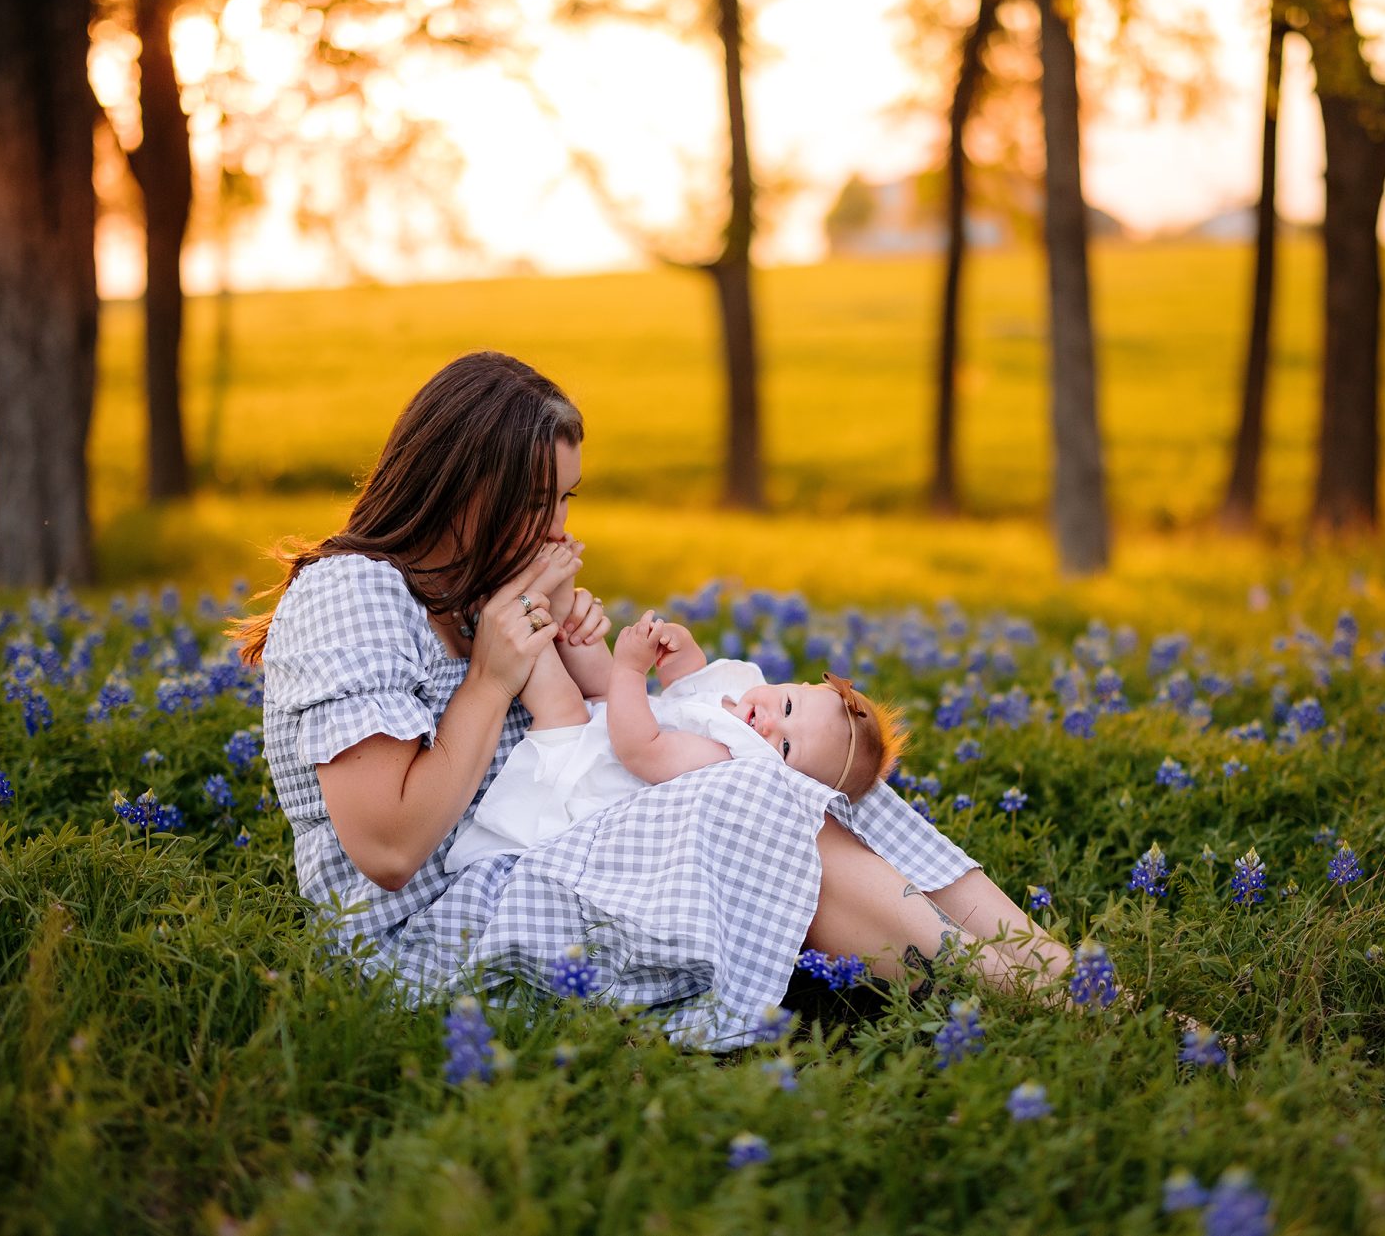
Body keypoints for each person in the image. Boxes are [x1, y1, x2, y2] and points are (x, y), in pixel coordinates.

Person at [237, 350, 1072, 1050]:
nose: (560, 530)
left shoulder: (477, 585)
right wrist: (496, 672)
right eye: (538, 503)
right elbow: (388, 848)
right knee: (756, 791)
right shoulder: (351, 595)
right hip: (433, 941)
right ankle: (1030, 1016)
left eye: (567, 500)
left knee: (810, 767)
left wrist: (566, 642)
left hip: (543, 859)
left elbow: (580, 736)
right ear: (462, 489)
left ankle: (1071, 987)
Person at [442, 609, 906, 873]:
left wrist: (630, 670)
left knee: (564, 702)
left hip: (587, 775)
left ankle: (512, 613)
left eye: (785, 749)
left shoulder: (731, 760)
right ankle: (556, 593)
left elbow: (641, 748)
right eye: (786, 708)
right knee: (591, 658)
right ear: (799, 687)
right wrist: (679, 650)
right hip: (610, 721)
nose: (769, 725)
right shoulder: (746, 693)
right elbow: (692, 689)